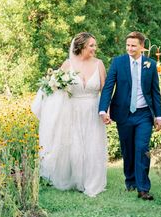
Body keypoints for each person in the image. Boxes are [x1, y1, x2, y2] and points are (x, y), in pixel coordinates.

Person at [31, 32, 107, 197]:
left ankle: (92, 181)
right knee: (75, 146)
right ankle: (77, 180)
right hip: (72, 110)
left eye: (95, 45)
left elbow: (105, 90)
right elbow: (55, 86)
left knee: (93, 144)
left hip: (93, 110)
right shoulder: (68, 64)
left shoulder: (99, 64)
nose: (95, 48)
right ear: (81, 47)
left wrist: (106, 110)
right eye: (91, 45)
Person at [99, 31, 161, 200]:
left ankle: (143, 188)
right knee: (128, 149)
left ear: (142, 47)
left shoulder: (150, 64)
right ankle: (130, 181)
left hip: (144, 114)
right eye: (128, 45)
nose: (130, 48)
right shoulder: (118, 63)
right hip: (124, 113)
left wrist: (159, 116)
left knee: (142, 148)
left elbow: (155, 92)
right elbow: (108, 87)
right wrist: (103, 110)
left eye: (133, 45)